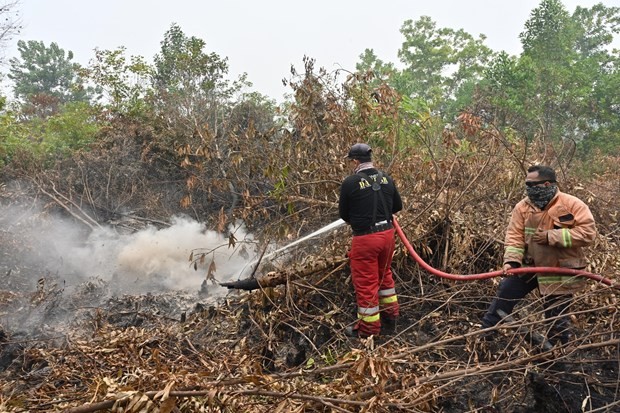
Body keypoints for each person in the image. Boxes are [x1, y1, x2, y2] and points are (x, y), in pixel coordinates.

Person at [481, 165, 597, 345]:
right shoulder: (522, 207)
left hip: (560, 271)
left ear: (546, 184)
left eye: (531, 184)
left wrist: (552, 236)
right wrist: (511, 262)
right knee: (504, 295)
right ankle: (483, 339)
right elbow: (514, 236)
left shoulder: (572, 204)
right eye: (526, 184)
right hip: (530, 267)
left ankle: (556, 359)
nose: (528, 189)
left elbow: (588, 234)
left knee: (556, 319)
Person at [339, 143, 403, 338]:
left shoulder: (350, 183)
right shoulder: (387, 178)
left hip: (366, 239)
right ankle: (391, 316)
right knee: (385, 277)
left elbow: (344, 215)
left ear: (356, 161)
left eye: (351, 161)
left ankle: (368, 330)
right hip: (387, 236)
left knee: (366, 284)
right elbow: (397, 206)